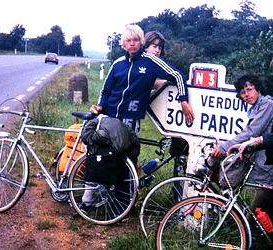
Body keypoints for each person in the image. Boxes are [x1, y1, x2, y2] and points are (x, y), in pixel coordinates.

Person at [81, 24, 192, 212]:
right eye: (128, 41)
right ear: (123, 44)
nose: (132, 44)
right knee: (97, 153)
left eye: (135, 40)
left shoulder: (150, 61)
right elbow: (106, 90)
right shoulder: (117, 64)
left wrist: (183, 100)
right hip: (109, 117)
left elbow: (178, 76)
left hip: (130, 121)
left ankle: (122, 204)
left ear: (141, 42)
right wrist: (99, 105)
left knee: (126, 160)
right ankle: (88, 197)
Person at [211, 72, 273, 221]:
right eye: (242, 92)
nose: (246, 94)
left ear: (258, 89)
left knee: (255, 216)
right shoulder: (256, 108)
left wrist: (223, 147)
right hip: (263, 164)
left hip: (270, 166)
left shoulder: (267, 104)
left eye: (250, 89)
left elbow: (252, 132)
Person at [144, 31, 193, 165]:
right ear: (145, 46)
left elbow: (148, 81)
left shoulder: (143, 61)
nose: (157, 50)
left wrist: (165, 84)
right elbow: (179, 76)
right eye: (154, 46)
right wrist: (183, 100)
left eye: (160, 48)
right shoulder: (149, 61)